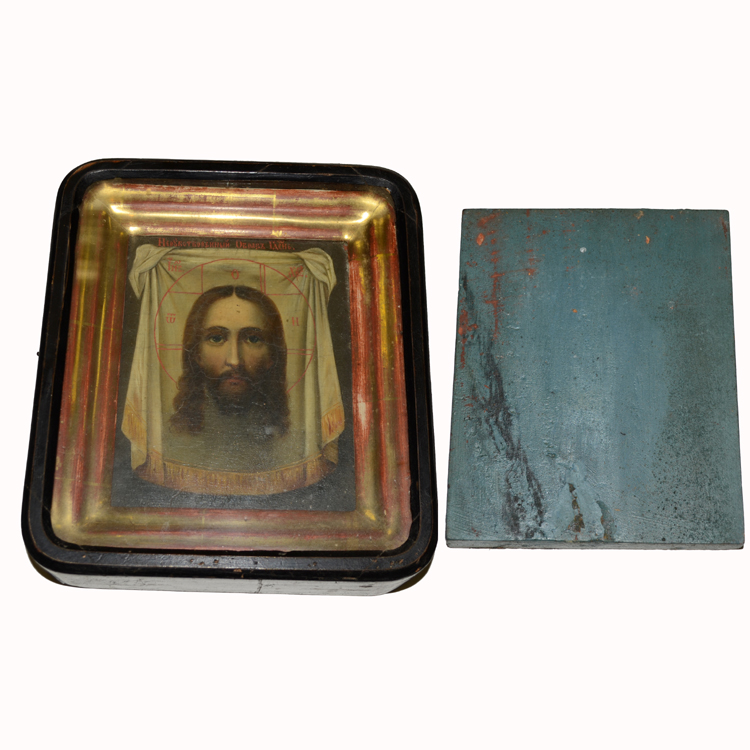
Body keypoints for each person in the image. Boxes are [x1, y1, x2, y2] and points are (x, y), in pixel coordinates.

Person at [170, 285, 289, 440]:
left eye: (253, 339)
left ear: (271, 355)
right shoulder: (170, 437)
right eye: (216, 338)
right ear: (197, 354)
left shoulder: (292, 440)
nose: (234, 361)